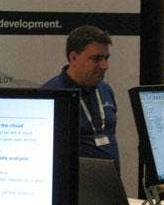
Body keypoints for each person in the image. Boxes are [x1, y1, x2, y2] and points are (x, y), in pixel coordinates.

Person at [41, 25, 120, 170]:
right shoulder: (53, 94)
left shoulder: (105, 89)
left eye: (106, 58)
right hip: (74, 183)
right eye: (96, 59)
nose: (104, 65)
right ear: (73, 58)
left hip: (111, 181)